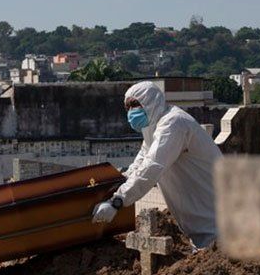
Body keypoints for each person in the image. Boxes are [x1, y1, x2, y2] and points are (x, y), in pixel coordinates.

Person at [92, 81, 222, 248]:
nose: (131, 111)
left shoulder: (173, 124)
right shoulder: (152, 128)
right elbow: (141, 161)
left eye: (135, 104)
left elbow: (152, 166)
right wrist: (120, 181)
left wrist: (117, 201)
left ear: (151, 101)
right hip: (200, 227)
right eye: (128, 107)